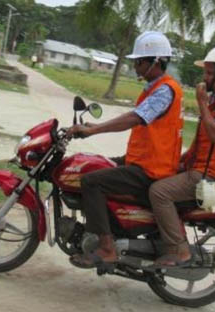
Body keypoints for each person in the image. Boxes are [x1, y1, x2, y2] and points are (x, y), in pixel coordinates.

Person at [66, 31, 184, 268]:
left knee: (91, 181)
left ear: (156, 62)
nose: (135, 65)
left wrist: (94, 130)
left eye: (139, 61)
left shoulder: (165, 90)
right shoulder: (154, 87)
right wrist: (92, 126)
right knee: (94, 163)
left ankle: (107, 248)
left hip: (151, 169)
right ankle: (110, 229)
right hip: (141, 160)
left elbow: (134, 118)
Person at [148, 45, 215, 267]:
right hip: (201, 169)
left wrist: (202, 104)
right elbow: (203, 144)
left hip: (214, 176)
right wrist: (180, 160)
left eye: (209, 72)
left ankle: (179, 250)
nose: (204, 78)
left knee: (159, 193)